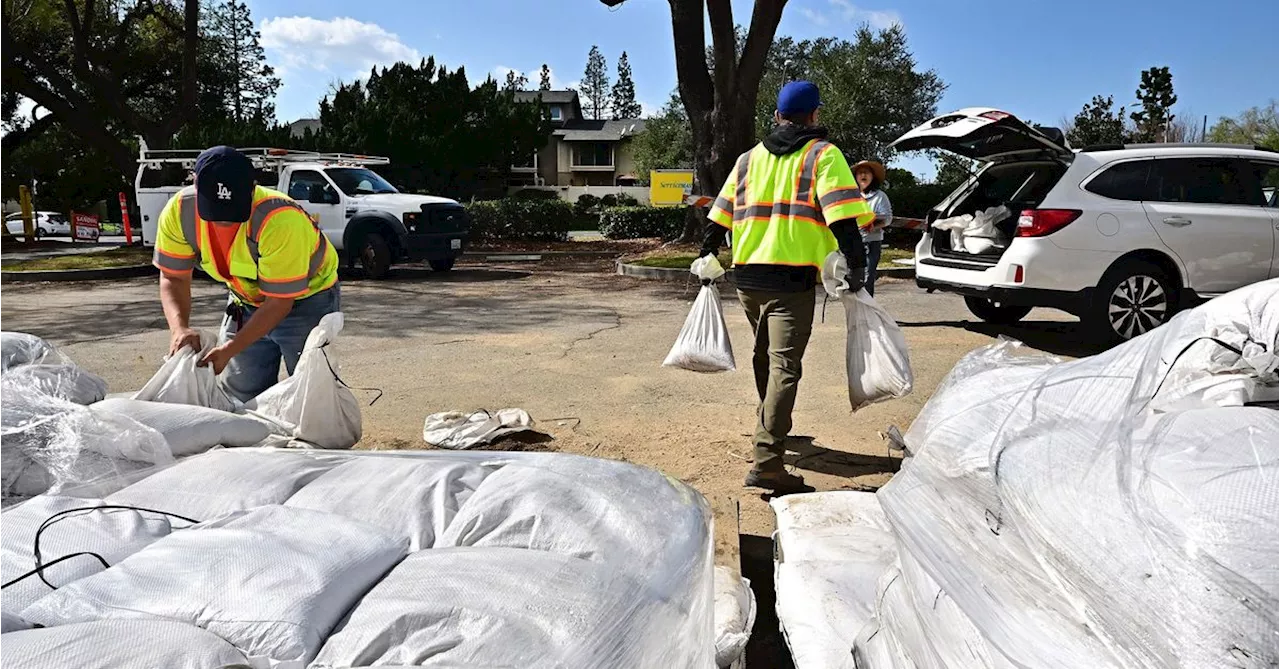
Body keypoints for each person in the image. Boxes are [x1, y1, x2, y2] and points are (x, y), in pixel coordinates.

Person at [699, 81, 876, 495]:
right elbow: (844, 219)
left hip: (747, 278)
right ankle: (768, 461)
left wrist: (707, 253)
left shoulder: (748, 159)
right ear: (814, 116)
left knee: (765, 357)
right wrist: (858, 268)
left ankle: (771, 432)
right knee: (784, 367)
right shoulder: (823, 155)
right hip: (791, 280)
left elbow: (718, 217)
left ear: (777, 116)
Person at [152, 146, 341, 402]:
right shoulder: (179, 213)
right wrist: (179, 329)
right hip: (246, 302)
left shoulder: (280, 219)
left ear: (253, 188)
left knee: (311, 390)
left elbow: (279, 301)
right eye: (214, 209)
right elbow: (173, 277)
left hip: (307, 300)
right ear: (195, 186)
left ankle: (318, 439)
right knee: (241, 394)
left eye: (232, 211)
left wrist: (230, 349)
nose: (224, 221)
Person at [852, 160, 892, 296]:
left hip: (872, 242)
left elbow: (887, 218)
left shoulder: (880, 196)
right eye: (860, 172)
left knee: (868, 278)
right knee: (853, 278)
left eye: (866, 172)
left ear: (872, 176)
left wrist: (872, 224)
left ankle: (868, 312)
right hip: (853, 242)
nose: (863, 175)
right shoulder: (851, 196)